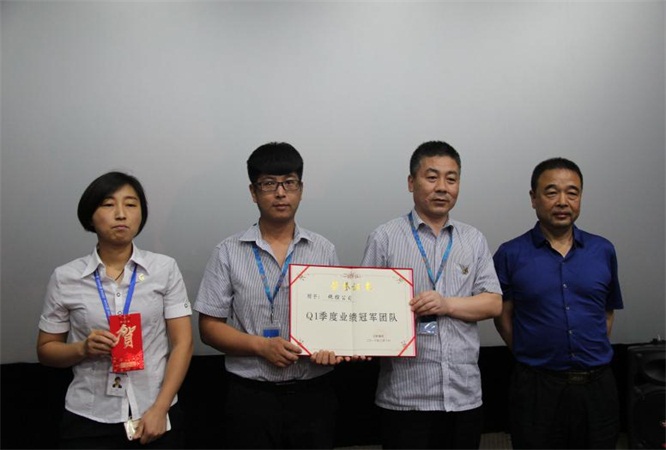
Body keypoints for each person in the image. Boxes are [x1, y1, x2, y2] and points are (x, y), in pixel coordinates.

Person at [194, 142, 346, 449]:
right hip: (251, 396)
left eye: (289, 183)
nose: (280, 193)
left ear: (300, 189)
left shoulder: (323, 250)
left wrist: (335, 347)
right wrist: (261, 346)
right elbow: (208, 328)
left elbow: (337, 319)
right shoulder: (228, 252)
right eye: (268, 184)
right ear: (253, 192)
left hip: (313, 394)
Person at [361, 140, 502, 449]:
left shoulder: (473, 240)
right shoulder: (385, 238)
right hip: (404, 397)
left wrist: (446, 304)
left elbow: (493, 302)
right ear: (411, 182)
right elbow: (363, 308)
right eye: (432, 177)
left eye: (451, 179)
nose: (442, 187)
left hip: (463, 395)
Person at [37, 171, 193, 448]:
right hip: (89, 415)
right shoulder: (65, 277)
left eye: (131, 204)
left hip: (155, 411)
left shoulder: (164, 269)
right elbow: (46, 350)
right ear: (90, 216)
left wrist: (161, 409)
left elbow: (183, 343)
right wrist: (82, 348)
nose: (121, 214)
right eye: (108, 205)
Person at [493, 157, 623, 449]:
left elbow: (606, 312)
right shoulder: (510, 254)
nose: (563, 201)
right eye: (551, 192)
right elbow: (502, 316)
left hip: (597, 387)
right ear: (533, 198)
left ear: (580, 197)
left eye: (572, 193)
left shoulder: (603, 250)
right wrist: (530, 353)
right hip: (537, 387)